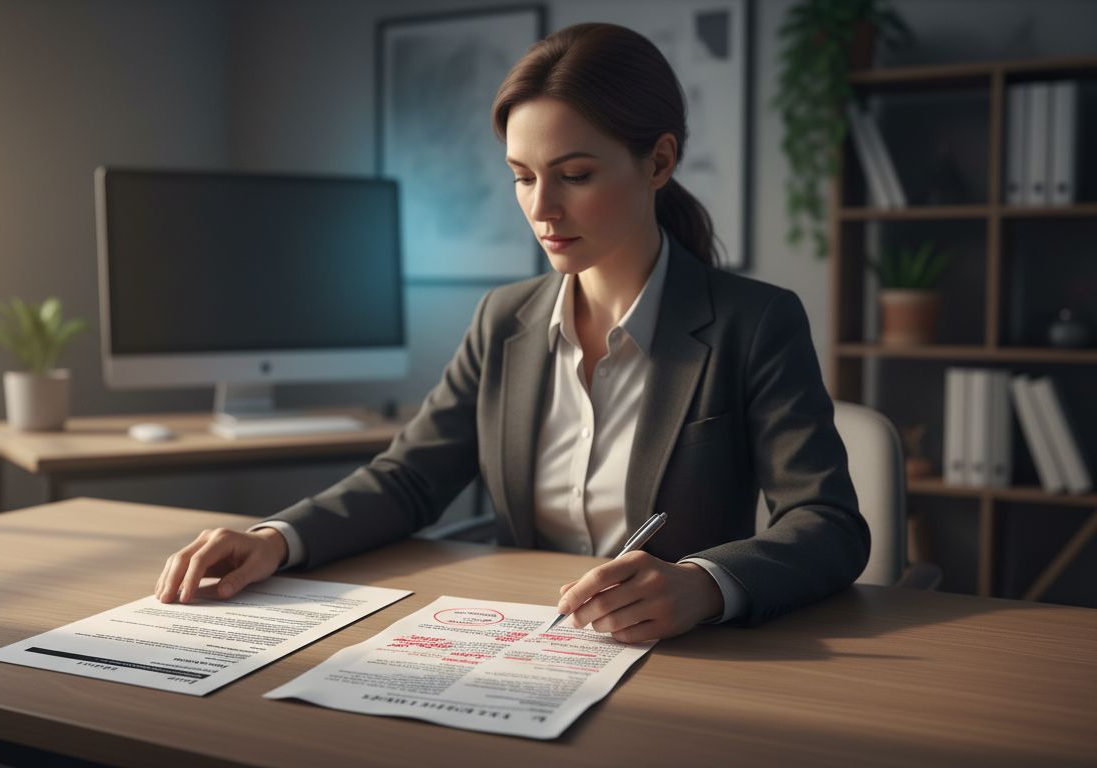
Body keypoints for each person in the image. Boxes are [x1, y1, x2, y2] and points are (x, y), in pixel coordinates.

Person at [155, 22, 868, 642]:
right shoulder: (506, 319)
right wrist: (275, 538)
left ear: (658, 162)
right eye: (522, 176)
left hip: (687, 656)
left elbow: (828, 523)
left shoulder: (756, 321)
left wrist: (704, 584)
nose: (543, 207)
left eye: (575, 174)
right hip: (527, 642)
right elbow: (409, 480)